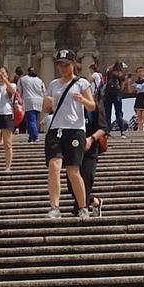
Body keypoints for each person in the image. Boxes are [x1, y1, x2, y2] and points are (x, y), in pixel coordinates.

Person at [44, 50, 97, 218]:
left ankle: (83, 207)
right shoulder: (53, 84)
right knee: (54, 167)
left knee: (73, 170)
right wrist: (46, 104)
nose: (62, 67)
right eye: (60, 64)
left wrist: (83, 100)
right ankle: (55, 207)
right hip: (56, 129)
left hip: (75, 130)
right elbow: (46, 109)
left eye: (66, 64)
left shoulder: (82, 83)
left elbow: (92, 106)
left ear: (73, 64)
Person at [80, 87, 109, 216]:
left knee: (86, 179)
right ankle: (95, 202)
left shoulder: (94, 109)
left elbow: (104, 128)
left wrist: (91, 139)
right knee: (72, 183)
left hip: (90, 150)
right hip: (73, 150)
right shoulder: (70, 109)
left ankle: (81, 208)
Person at [17, 67, 45, 142]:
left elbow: (19, 91)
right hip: (39, 100)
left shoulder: (22, 79)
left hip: (28, 100)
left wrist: (19, 100)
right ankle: (31, 136)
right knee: (34, 119)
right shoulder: (39, 80)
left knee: (31, 119)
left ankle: (35, 136)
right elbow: (43, 91)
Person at [103, 62, 128, 134]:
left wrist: (114, 64)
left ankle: (108, 131)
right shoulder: (122, 75)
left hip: (108, 95)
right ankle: (122, 131)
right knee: (119, 113)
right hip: (117, 95)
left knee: (108, 113)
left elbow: (106, 69)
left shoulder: (109, 72)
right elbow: (122, 88)